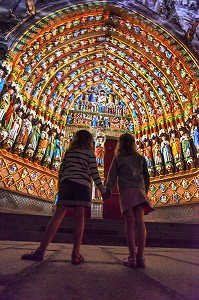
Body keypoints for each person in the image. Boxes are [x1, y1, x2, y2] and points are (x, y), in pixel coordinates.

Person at [21, 130, 109, 264]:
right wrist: (103, 191)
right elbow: (95, 174)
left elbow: (61, 171)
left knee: (57, 217)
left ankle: (40, 251)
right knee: (79, 219)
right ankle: (75, 254)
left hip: (67, 185)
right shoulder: (90, 154)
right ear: (90, 142)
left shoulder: (69, 152)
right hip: (82, 187)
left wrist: (60, 187)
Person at [106, 133, 154, 268]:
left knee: (130, 223)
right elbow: (146, 176)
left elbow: (112, 177)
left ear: (120, 144)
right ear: (133, 143)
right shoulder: (140, 158)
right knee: (140, 222)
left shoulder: (118, 158)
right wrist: (146, 191)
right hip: (139, 190)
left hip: (126, 191)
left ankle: (132, 257)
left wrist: (107, 190)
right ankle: (141, 257)